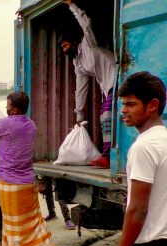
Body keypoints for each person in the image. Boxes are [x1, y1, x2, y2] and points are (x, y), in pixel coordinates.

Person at [0, 92, 66, 246]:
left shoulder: (7, 123)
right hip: (27, 182)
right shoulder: (30, 125)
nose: (6, 108)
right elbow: (11, 144)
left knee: (14, 225)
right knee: (36, 222)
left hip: (10, 183)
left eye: (8, 105)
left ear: (15, 108)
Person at [102, 72, 167, 246]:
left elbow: (138, 209)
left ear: (153, 105)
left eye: (131, 104)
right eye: (122, 104)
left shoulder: (144, 146)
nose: (123, 111)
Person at [61, 0, 116, 169]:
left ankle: (109, 157)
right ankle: (109, 155)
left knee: (107, 116)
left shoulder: (88, 44)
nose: (64, 50)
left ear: (72, 41)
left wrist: (72, 6)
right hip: (107, 86)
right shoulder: (77, 63)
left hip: (118, 78)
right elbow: (81, 89)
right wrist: (79, 116)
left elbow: (86, 24)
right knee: (105, 118)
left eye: (65, 45)